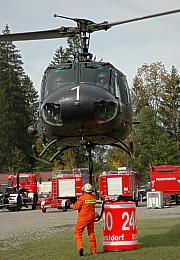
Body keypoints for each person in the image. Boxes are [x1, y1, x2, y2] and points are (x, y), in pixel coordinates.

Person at [71, 183, 97, 257]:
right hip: (91, 217)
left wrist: (73, 204)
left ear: (84, 190)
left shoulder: (82, 198)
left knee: (78, 233)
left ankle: (80, 247)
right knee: (91, 234)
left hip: (83, 218)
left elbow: (76, 207)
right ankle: (94, 251)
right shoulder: (94, 197)